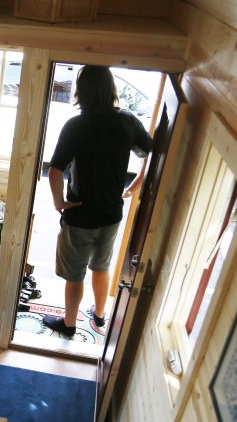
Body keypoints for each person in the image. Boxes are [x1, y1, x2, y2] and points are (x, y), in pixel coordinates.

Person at [44, 65, 153, 337]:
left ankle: (69, 325)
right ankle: (100, 315)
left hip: (80, 215)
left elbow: (55, 169)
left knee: (75, 274)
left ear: (83, 91)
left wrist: (59, 203)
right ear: (111, 89)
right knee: (101, 266)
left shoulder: (76, 125)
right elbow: (153, 152)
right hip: (111, 214)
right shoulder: (128, 121)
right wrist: (137, 184)